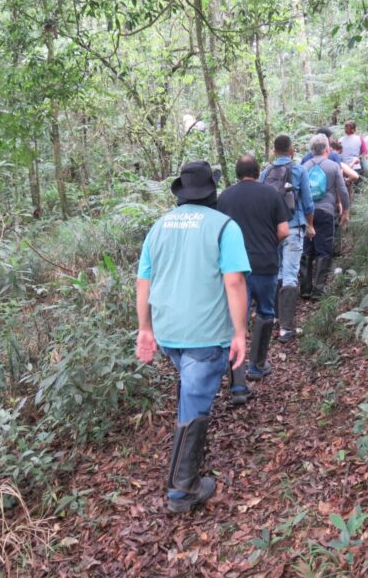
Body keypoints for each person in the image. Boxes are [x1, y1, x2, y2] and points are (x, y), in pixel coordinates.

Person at [135, 160, 250, 513]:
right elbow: (234, 282)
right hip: (205, 333)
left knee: (190, 391)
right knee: (195, 402)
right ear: (212, 192)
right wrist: (240, 333)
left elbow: (144, 282)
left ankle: (184, 476)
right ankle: (182, 491)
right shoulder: (224, 227)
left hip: (170, 332)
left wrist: (146, 328)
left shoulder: (158, 227)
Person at [217, 155, 289, 403]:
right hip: (265, 264)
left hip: (234, 269)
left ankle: (237, 386)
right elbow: (284, 231)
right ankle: (257, 367)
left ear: (237, 173)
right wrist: (269, 244)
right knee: (266, 313)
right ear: (258, 172)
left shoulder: (224, 197)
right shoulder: (271, 194)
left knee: (235, 323)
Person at [260, 135, 315, 342]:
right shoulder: (299, 170)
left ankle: (274, 316)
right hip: (293, 228)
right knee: (291, 273)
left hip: (273, 231)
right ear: (291, 150)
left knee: (278, 271)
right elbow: (308, 203)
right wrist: (310, 225)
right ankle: (286, 328)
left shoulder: (266, 173)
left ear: (274, 151)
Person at [300, 134, 350, 297]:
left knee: (306, 250)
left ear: (311, 150)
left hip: (307, 213)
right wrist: (346, 211)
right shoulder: (333, 166)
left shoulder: (304, 167)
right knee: (324, 250)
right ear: (327, 148)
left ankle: (305, 288)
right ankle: (319, 289)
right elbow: (342, 190)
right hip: (326, 211)